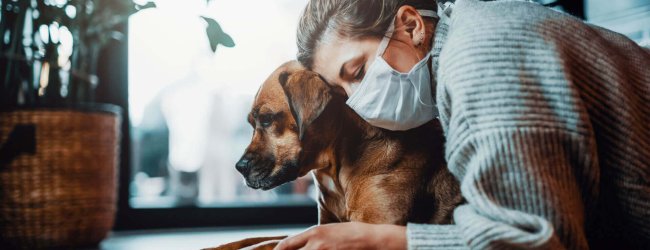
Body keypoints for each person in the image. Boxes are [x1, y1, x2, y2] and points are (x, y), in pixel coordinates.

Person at [274, 0, 650, 249]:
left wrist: (382, 240)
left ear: (410, 25)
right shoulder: (470, 29)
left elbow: (538, 240)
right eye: (343, 93)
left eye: (357, 72)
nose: (358, 101)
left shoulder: (480, 64)